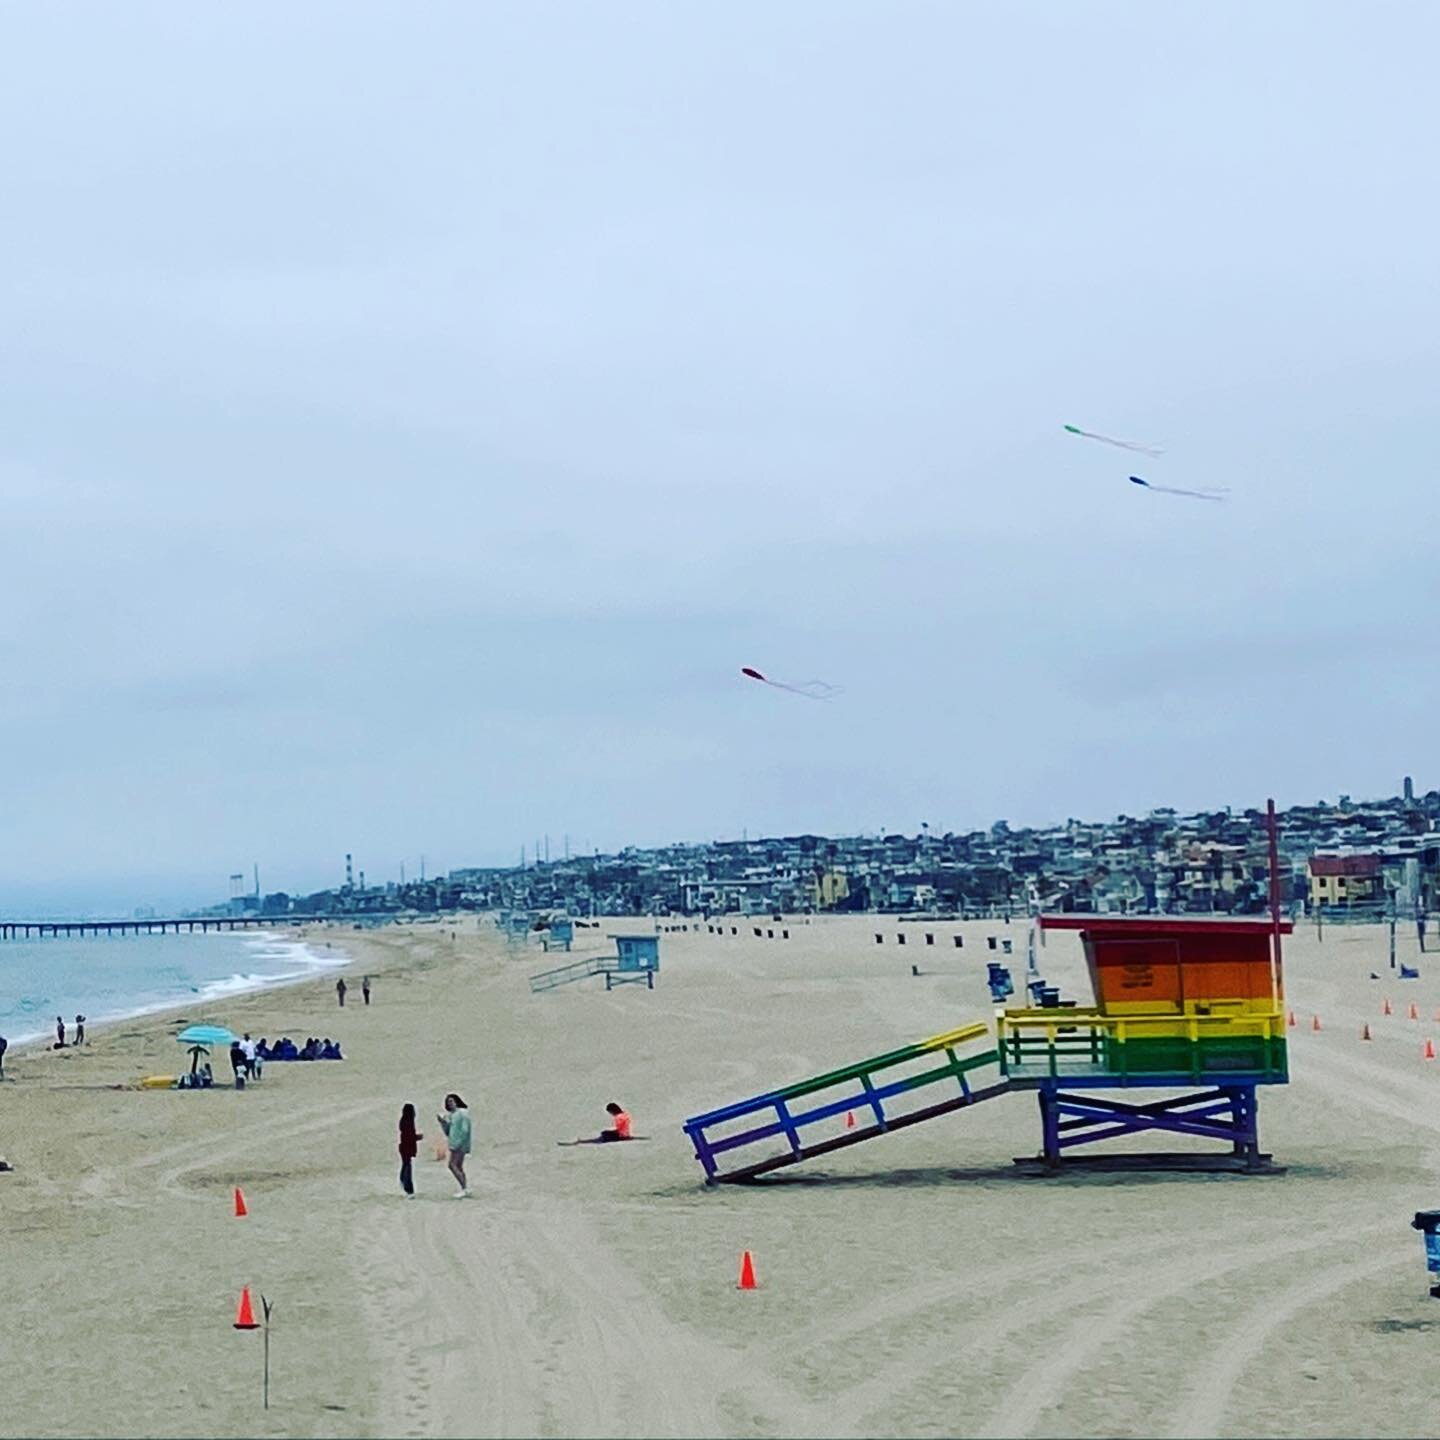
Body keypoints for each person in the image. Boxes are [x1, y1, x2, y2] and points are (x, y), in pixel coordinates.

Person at [437, 1093, 471, 1198]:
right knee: (459, 1166)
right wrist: (443, 1123)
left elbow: (465, 1130)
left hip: (460, 1144)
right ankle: (464, 1188)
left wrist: (460, 1142)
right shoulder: (451, 1115)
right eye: (448, 1102)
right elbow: (448, 1132)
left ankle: (464, 1188)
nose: (450, 1104)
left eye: (451, 1101)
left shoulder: (462, 1113)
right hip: (454, 1143)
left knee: (452, 1165)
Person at [565, 1102, 637, 1145]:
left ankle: (581, 1142)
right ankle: (582, 1141)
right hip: (625, 1135)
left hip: (621, 1136)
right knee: (603, 1135)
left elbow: (619, 1130)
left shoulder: (618, 1117)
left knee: (602, 1136)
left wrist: (608, 1132)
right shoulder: (625, 1114)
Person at [398, 1103, 422, 1197]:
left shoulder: (403, 1121)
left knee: (405, 1164)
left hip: (403, 1147)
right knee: (408, 1166)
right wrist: (417, 1137)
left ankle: (403, 1181)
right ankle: (409, 1188)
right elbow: (409, 1137)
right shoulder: (409, 1122)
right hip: (407, 1147)